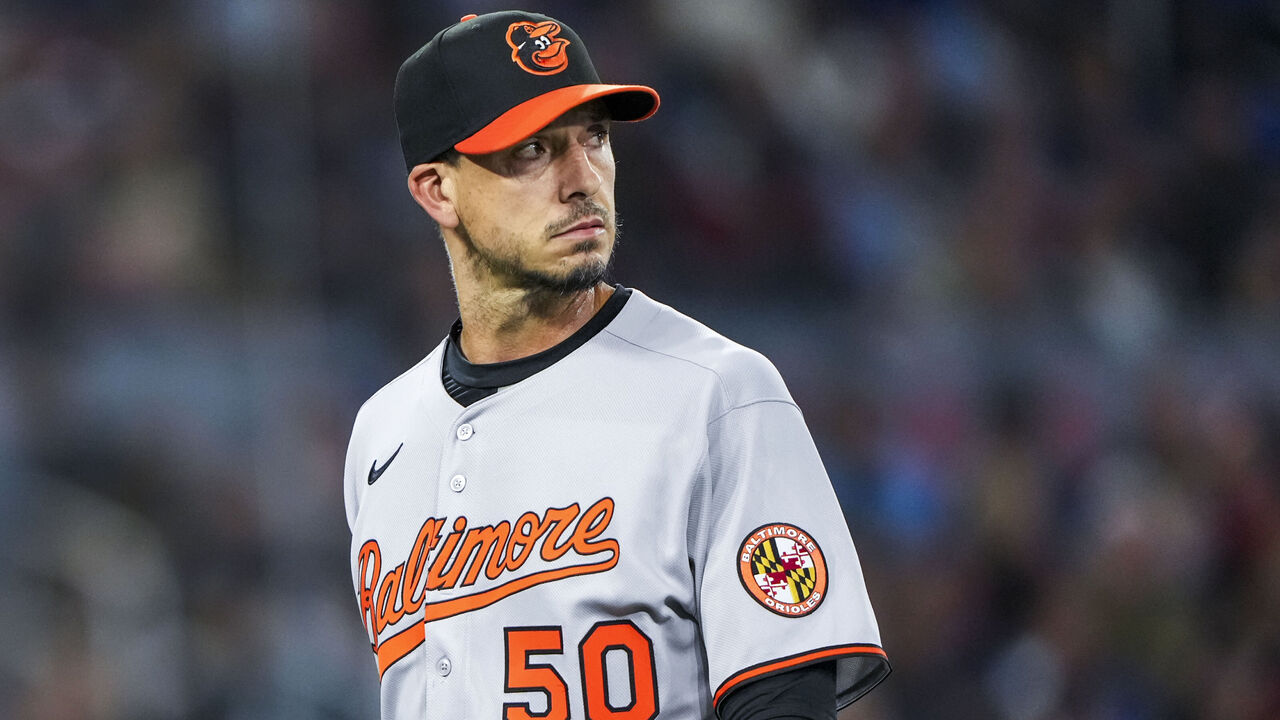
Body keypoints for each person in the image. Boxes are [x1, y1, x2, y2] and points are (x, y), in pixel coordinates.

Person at [344, 10, 889, 719]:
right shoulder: (382, 432)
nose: (581, 178)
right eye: (533, 149)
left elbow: (784, 700)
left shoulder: (717, 394)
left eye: (595, 138)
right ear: (437, 190)